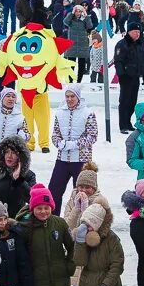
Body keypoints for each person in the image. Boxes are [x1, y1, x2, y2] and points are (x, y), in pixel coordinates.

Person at [49, 84, 98, 214]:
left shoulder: (88, 113)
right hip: (62, 159)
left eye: (72, 96)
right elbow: (55, 134)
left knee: (83, 194)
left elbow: (92, 136)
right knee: (54, 190)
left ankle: (82, 221)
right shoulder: (60, 113)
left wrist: (74, 144)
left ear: (78, 97)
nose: (69, 99)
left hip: (82, 160)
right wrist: (59, 143)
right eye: (67, 96)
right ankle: (54, 220)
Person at [115, 21, 144, 133]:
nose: (137, 34)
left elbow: (142, 61)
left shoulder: (140, 44)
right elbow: (118, 61)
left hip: (136, 76)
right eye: (135, 32)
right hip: (126, 77)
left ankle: (128, 122)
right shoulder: (122, 44)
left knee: (133, 101)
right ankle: (122, 124)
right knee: (124, 101)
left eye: (139, 32)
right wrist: (121, 74)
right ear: (129, 32)